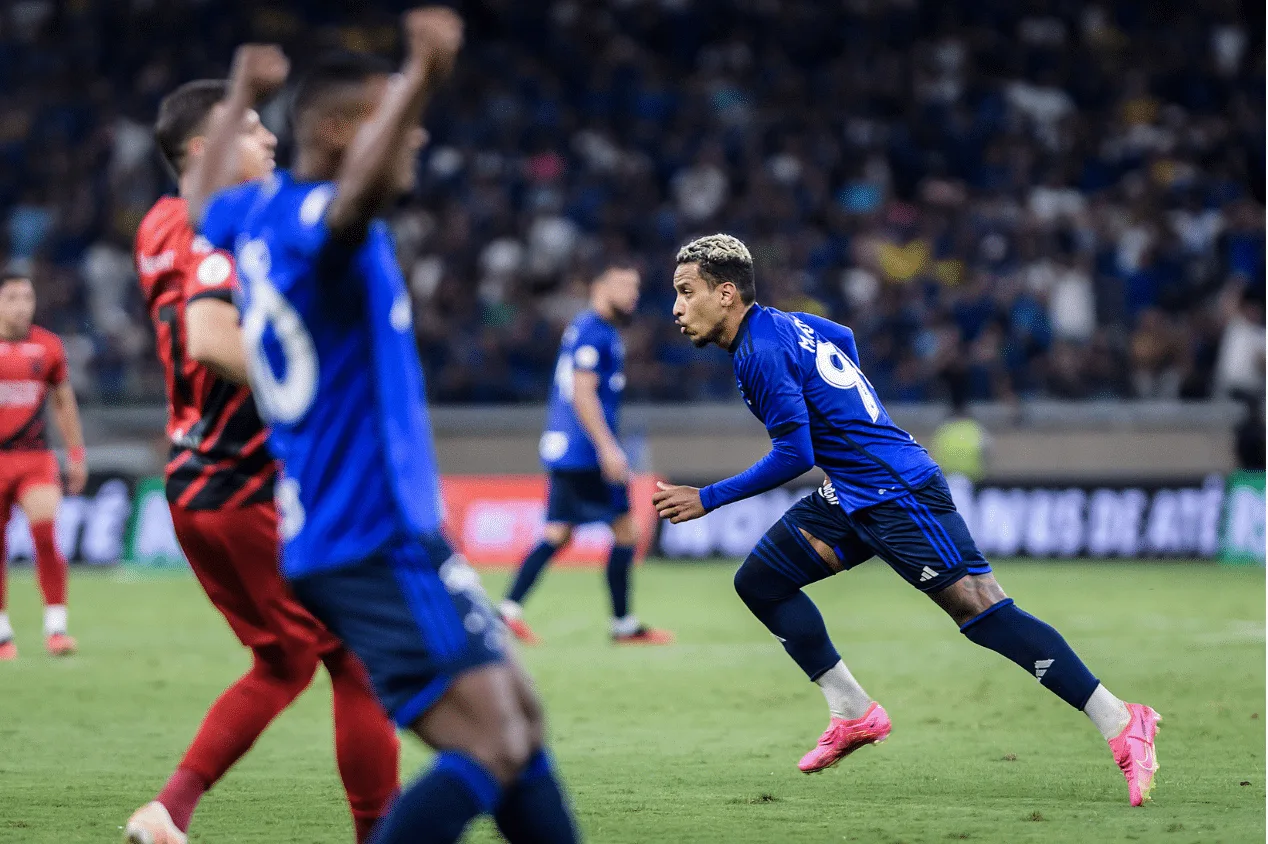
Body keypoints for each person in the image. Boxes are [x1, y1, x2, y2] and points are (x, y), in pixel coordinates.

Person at [187, 10, 579, 843]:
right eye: (388, 113)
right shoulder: (310, 223)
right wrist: (423, 72)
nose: (417, 130)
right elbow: (354, 200)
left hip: (374, 530)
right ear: (335, 131)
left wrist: (236, 98)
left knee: (523, 723)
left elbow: (201, 199)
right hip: (372, 533)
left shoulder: (252, 216)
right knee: (494, 741)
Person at [653, 234, 1161, 807]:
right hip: (853, 490)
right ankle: (853, 711)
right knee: (761, 581)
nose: (675, 307)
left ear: (725, 294)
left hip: (896, 490)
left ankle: (1121, 720)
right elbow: (841, 340)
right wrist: (849, 428)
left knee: (982, 610)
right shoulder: (785, 325)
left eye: (685, 292)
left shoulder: (761, 352)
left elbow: (793, 456)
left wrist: (709, 498)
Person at [124, 80, 400, 844]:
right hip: (247, 485)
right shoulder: (213, 232)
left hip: (195, 484)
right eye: (247, 129)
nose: (269, 138)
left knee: (283, 664)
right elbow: (211, 342)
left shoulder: (156, 224)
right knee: (357, 659)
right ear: (201, 152)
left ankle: (168, 810)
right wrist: (310, 385)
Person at [500, 264, 672, 645]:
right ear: (600, 287)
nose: (633, 294)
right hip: (585, 452)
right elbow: (582, 392)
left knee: (558, 532)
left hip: (569, 450)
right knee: (627, 530)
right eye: (624, 285)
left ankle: (506, 612)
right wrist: (608, 447)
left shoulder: (590, 328)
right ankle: (623, 625)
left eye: (636, 287)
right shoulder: (595, 331)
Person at [0, 271, 85, 660]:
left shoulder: (48, 347)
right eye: (13, 298)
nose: (22, 307)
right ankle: (3, 635)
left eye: (27, 298)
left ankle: (56, 628)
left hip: (35, 458)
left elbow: (64, 403)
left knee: (47, 536)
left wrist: (76, 454)